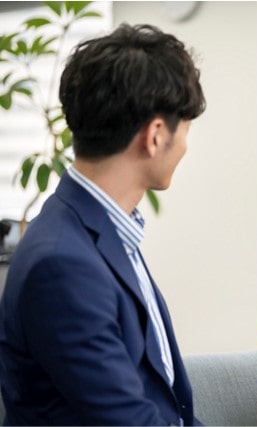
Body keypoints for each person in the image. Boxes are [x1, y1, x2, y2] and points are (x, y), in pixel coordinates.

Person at [0, 23, 206, 425]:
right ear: (156, 136)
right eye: (187, 128)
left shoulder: (103, 231)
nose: (186, 144)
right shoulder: (61, 263)